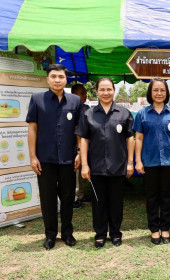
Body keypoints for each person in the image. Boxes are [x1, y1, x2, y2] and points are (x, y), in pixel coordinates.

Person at [26, 64, 83, 250]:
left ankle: (67, 233)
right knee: (48, 200)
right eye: (53, 76)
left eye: (61, 76)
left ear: (66, 79)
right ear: (47, 79)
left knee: (68, 198)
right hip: (45, 160)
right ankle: (50, 235)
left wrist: (80, 153)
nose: (57, 80)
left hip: (68, 159)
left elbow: (79, 130)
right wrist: (33, 156)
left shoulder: (75, 101)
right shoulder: (37, 99)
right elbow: (32, 129)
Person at [76, 78, 134, 248]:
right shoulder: (89, 114)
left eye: (109, 89)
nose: (106, 93)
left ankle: (115, 233)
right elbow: (84, 140)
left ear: (114, 91)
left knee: (116, 202)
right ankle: (100, 234)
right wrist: (85, 165)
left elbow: (130, 138)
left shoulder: (124, 113)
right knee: (99, 203)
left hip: (118, 166)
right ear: (96, 92)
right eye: (102, 89)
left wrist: (130, 163)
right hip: (96, 167)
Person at [133, 78, 170, 245]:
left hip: (169, 162)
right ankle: (154, 229)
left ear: (166, 93)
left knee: (167, 197)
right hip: (149, 162)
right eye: (155, 90)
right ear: (150, 92)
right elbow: (138, 138)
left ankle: (165, 228)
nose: (159, 93)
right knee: (151, 197)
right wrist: (138, 161)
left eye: (162, 90)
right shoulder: (142, 114)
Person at [71, 84, 91, 209]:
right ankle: (74, 198)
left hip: (86, 143)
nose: (84, 96)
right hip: (74, 144)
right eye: (81, 93)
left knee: (84, 169)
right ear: (74, 94)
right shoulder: (70, 107)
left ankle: (81, 195)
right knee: (76, 171)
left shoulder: (87, 107)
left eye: (84, 93)